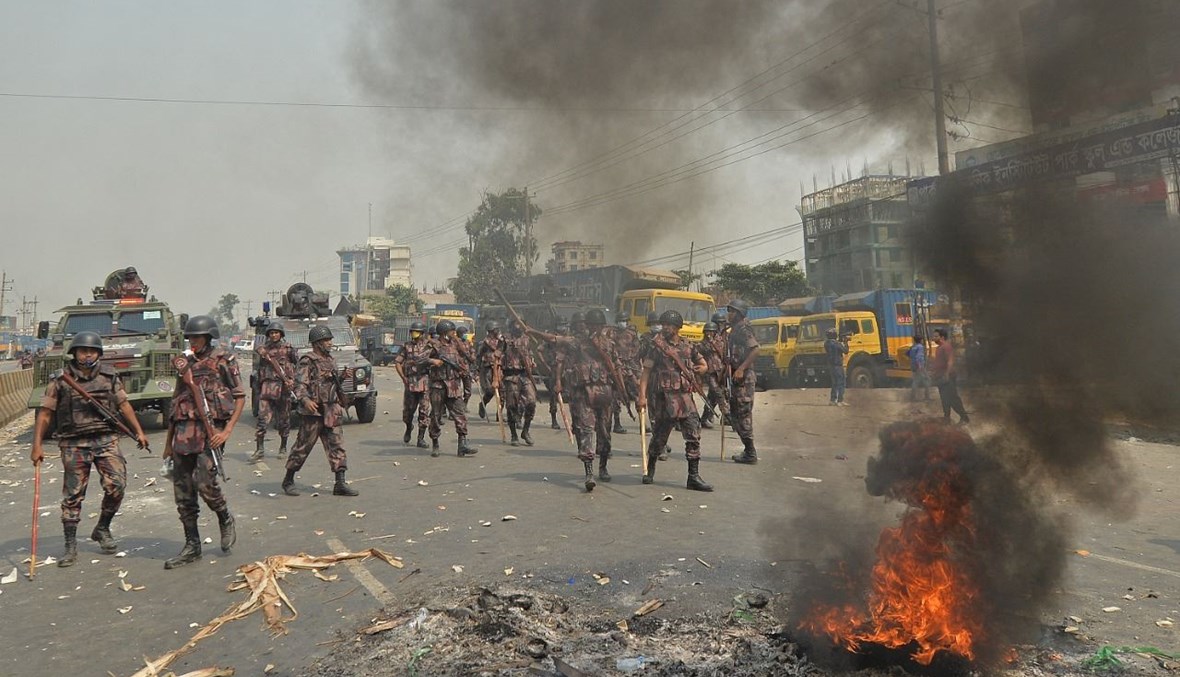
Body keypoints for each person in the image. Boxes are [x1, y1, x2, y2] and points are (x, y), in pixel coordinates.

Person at [30, 331, 150, 567]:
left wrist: (139, 431)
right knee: (73, 496)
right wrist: (37, 445)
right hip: (74, 443)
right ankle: (70, 545)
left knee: (117, 485)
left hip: (105, 440)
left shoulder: (109, 376)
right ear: (74, 353)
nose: (87, 354)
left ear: (99, 354)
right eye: (83, 350)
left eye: (92, 351)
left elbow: (123, 405)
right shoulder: (60, 380)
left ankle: (102, 528)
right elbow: (45, 414)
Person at [163, 315, 243, 569]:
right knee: (183, 491)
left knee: (206, 483)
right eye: (190, 338)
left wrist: (227, 431)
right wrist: (168, 442)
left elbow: (240, 396)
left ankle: (224, 516)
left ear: (208, 337)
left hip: (211, 431)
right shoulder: (183, 363)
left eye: (197, 338)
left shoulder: (224, 359)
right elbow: (176, 400)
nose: (193, 342)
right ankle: (192, 545)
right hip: (183, 431)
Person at [526, 308, 622, 491]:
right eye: (592, 325)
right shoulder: (577, 343)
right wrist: (535, 332)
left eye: (598, 325)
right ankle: (589, 473)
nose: (595, 328)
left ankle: (603, 467)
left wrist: (622, 390)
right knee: (586, 431)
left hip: (605, 393)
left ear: (602, 326)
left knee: (605, 432)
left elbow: (616, 368)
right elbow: (555, 339)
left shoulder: (609, 345)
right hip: (583, 393)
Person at [638, 310, 713, 492]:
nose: (664, 328)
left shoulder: (688, 346)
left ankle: (693, 477)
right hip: (665, 399)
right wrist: (642, 396)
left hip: (685, 398)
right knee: (659, 438)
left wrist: (700, 369)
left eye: (668, 325)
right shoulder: (656, 347)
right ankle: (651, 468)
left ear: (677, 327)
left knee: (693, 436)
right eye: (663, 324)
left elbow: (704, 365)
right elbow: (646, 372)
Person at [282, 325, 359, 496]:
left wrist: (341, 377)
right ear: (317, 343)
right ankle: (288, 480)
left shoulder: (330, 360)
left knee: (337, 446)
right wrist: (305, 399)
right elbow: (299, 384)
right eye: (326, 340)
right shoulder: (307, 360)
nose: (330, 343)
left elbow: (329, 383)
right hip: (314, 412)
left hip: (331, 409)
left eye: (330, 339)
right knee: (303, 446)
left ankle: (340, 483)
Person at [422, 320, 478, 457]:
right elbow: (418, 359)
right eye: (452, 332)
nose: (454, 334)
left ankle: (462, 444)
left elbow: (467, 358)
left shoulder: (455, 344)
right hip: (438, 385)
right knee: (436, 415)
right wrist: (433, 361)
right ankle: (435, 443)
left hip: (453, 385)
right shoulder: (433, 344)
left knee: (460, 414)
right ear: (444, 333)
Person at [251, 325, 298, 463]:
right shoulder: (263, 350)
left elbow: (296, 365)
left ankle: (283, 447)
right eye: (271, 333)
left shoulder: (288, 349)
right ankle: (259, 449)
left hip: (283, 388)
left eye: (276, 332)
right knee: (262, 420)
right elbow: (258, 369)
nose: (273, 335)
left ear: (281, 334)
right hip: (268, 388)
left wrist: (291, 381)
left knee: (284, 420)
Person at [725, 300, 760, 464]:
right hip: (736, 377)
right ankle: (747, 449)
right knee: (735, 414)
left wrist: (741, 369)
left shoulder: (744, 329)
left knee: (743, 413)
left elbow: (755, 349)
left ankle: (750, 452)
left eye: (731, 311)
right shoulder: (734, 330)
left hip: (744, 378)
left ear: (739, 314)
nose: (728, 314)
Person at [394, 321, 432, 449]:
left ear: (422, 333)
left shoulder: (429, 346)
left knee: (424, 411)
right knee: (408, 412)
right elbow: (398, 362)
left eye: (416, 331)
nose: (413, 333)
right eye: (412, 331)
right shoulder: (406, 346)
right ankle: (408, 427)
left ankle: (420, 438)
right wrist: (403, 377)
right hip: (410, 383)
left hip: (425, 382)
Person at [930, 328, 969, 424]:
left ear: (942, 337)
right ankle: (947, 417)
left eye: (936, 336)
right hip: (940, 377)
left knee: (952, 397)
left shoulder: (946, 347)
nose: (933, 338)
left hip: (947, 377)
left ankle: (964, 418)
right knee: (944, 398)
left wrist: (947, 374)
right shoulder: (939, 348)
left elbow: (950, 361)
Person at [697, 322, 727, 429]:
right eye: (707, 331)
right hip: (709, 372)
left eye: (711, 331)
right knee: (717, 392)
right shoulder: (701, 345)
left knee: (712, 397)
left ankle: (705, 418)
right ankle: (727, 412)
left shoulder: (720, 342)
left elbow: (723, 353)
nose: (709, 333)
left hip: (721, 371)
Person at [476, 322, 503, 421]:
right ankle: (483, 404)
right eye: (496, 329)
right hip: (488, 367)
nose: (498, 331)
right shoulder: (485, 342)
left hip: (499, 367)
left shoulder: (501, 341)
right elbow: (479, 356)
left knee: (502, 392)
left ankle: (499, 415)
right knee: (490, 391)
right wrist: (477, 369)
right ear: (492, 331)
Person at [825, 328, 849, 406]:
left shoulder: (826, 343)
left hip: (831, 365)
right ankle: (840, 400)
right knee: (841, 382)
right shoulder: (836, 344)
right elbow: (845, 351)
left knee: (834, 383)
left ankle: (832, 400)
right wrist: (845, 342)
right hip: (838, 365)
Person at [907, 334, 930, 401]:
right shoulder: (920, 347)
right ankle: (926, 397)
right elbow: (918, 357)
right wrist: (920, 366)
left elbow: (907, 354)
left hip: (913, 365)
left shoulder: (912, 347)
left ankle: (913, 397)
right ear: (921, 340)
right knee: (927, 380)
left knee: (916, 380)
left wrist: (912, 360)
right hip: (919, 366)